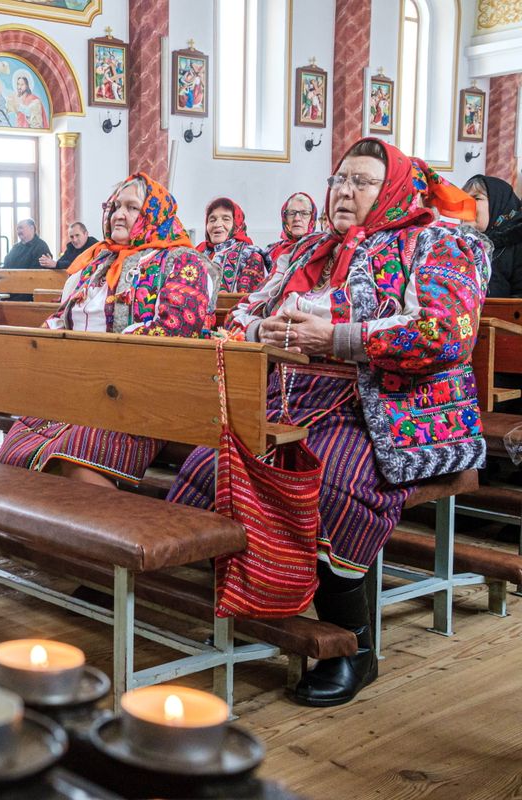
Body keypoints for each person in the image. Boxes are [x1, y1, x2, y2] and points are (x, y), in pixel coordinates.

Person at [170, 137, 487, 707]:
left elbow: (448, 334)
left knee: (333, 487)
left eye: (362, 181)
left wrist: (336, 338)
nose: (344, 190)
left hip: (387, 411)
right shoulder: (311, 249)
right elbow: (247, 310)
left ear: (392, 189)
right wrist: (255, 331)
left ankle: (352, 648)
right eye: (339, 179)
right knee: (209, 469)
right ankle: (264, 601)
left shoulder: (437, 242)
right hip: (293, 396)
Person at [0, 173, 218, 583]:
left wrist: (90, 361)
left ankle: (128, 577)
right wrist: (40, 348)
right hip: (78, 391)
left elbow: (176, 331)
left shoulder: (183, 263)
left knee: (74, 460)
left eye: (131, 207)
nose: (119, 214)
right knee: (22, 444)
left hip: (141, 395)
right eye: (115, 206)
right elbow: (62, 318)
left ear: (155, 215)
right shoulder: (96, 264)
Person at [463, 174, 522, 297]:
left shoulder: (517, 242)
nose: (467, 203)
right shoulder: (458, 244)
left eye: (476, 198)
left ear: (499, 203)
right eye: (463, 198)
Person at [196, 197, 267, 294]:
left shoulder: (250, 257)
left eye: (226, 219)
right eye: (212, 220)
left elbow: (245, 301)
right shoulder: (197, 254)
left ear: (237, 225)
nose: (217, 224)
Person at [264, 192, 318, 271]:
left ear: (312, 219)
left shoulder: (319, 249)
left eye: (304, 213)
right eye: (291, 213)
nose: (297, 218)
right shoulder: (271, 250)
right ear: (285, 219)